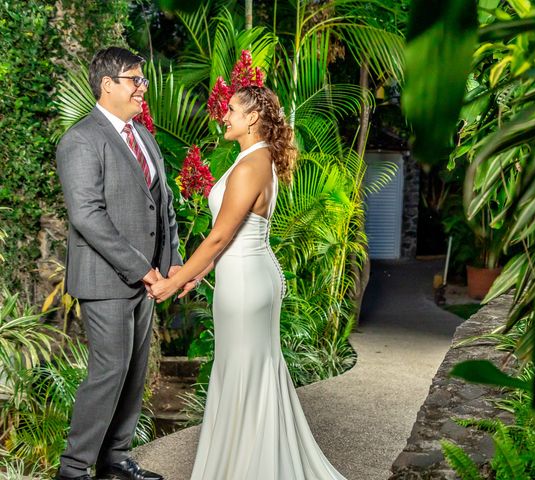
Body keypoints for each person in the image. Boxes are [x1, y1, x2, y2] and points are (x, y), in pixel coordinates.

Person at [149, 86, 346, 479]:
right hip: (243, 275)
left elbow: (221, 235)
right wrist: (199, 273)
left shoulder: (251, 164)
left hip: (245, 283)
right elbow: (233, 234)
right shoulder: (254, 159)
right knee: (245, 374)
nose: (224, 114)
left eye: (232, 109)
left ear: (253, 117)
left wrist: (173, 283)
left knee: (245, 377)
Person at [55, 47, 187, 480]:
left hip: (146, 279)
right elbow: (87, 215)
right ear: (107, 85)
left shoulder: (142, 136)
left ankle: (115, 460)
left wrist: (170, 265)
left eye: (142, 79)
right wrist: (142, 269)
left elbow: (162, 204)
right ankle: (74, 469)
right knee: (109, 371)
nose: (142, 87)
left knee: (132, 373)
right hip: (107, 279)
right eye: (135, 79)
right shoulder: (80, 139)